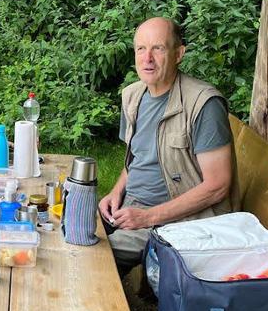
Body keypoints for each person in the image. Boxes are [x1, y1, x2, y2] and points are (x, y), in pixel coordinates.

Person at [99, 17, 236, 273]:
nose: (147, 58)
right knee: (67, 228)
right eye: (141, 49)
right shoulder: (133, 96)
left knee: (96, 262)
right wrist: (116, 192)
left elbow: (218, 186)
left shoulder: (202, 104)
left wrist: (147, 217)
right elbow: (137, 159)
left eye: (158, 48)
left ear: (178, 54)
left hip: (176, 221)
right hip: (130, 206)